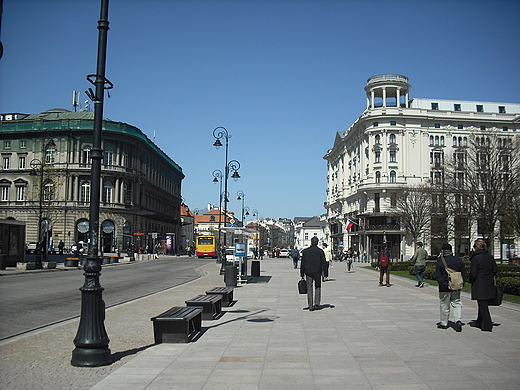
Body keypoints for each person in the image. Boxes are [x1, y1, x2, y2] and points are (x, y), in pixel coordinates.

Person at [435, 243, 467, 332]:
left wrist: (444, 284)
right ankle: (458, 320)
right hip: (456, 285)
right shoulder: (458, 261)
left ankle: (444, 323)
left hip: (445, 287)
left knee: (444, 304)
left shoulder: (440, 261)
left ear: (443, 251)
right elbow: (464, 274)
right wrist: (461, 284)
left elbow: (438, 275)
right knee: (457, 303)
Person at [468, 239, 498, 332]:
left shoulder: (476, 258)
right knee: (483, 303)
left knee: (482, 304)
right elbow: (495, 270)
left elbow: (473, 273)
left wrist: (470, 280)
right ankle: (479, 321)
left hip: (479, 282)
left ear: (476, 248)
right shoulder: (490, 257)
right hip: (488, 282)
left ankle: (487, 324)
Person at [300, 236, 328, 311]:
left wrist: (302, 274)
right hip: (317, 272)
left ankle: (310, 305)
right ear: (317, 243)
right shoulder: (320, 251)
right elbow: (324, 263)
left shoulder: (305, 251)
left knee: (309, 288)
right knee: (317, 287)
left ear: (311, 242)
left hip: (308, 272)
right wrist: (325, 274)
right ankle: (317, 304)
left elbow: (303, 263)